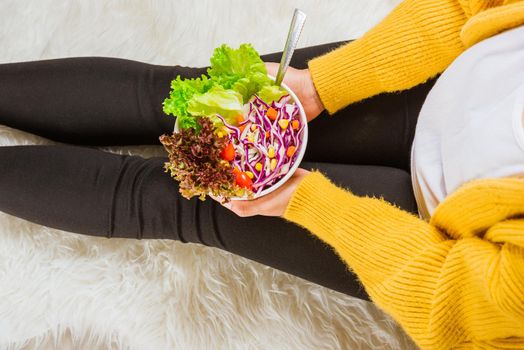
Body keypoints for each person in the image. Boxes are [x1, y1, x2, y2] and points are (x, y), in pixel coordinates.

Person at [0, 0, 522, 348]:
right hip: (439, 75)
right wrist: (324, 83)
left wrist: (306, 202)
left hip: (431, 231)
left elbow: (454, 301)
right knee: (181, 99)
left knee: (174, 199)